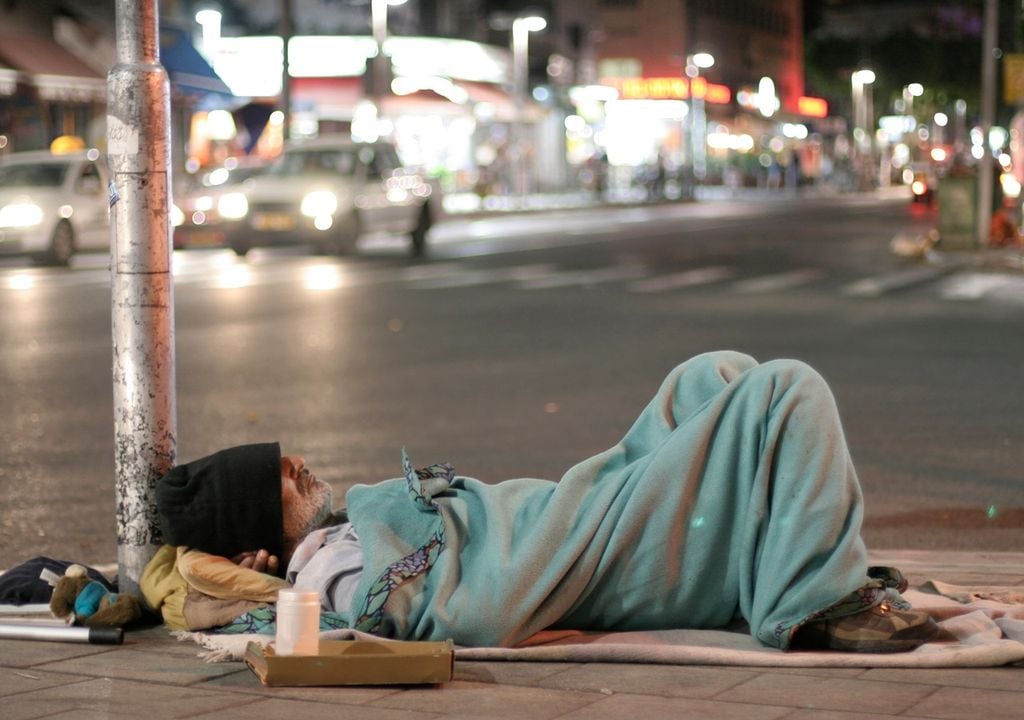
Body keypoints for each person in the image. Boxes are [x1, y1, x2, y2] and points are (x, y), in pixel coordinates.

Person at [147, 351, 939, 653]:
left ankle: (770, 558)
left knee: (713, 373)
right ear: (258, 546)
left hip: (579, 508)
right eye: (277, 480)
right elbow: (454, 610)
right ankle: (817, 603)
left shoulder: (345, 532)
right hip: (595, 552)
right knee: (787, 390)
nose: (297, 465)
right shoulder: (327, 573)